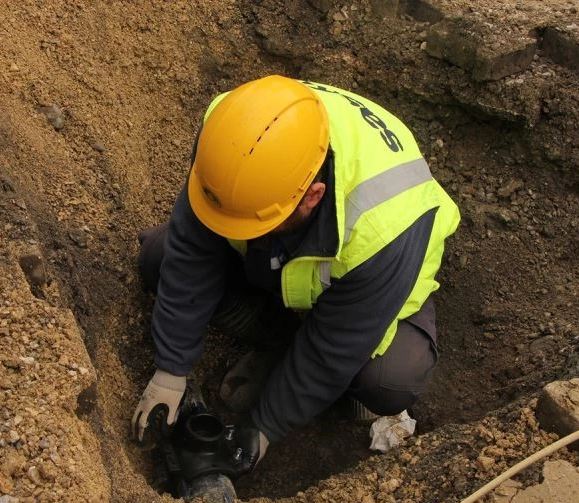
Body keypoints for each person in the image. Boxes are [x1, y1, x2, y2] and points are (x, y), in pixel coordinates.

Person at [131, 75, 460, 474]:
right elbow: (194, 249)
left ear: (312, 196)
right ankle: (280, 341)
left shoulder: (385, 224)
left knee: (390, 378)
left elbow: (333, 348)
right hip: (285, 264)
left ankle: (327, 383)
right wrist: (171, 369)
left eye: (253, 223)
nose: (236, 233)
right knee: (160, 258)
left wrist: (264, 426)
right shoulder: (231, 133)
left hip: (370, 291)